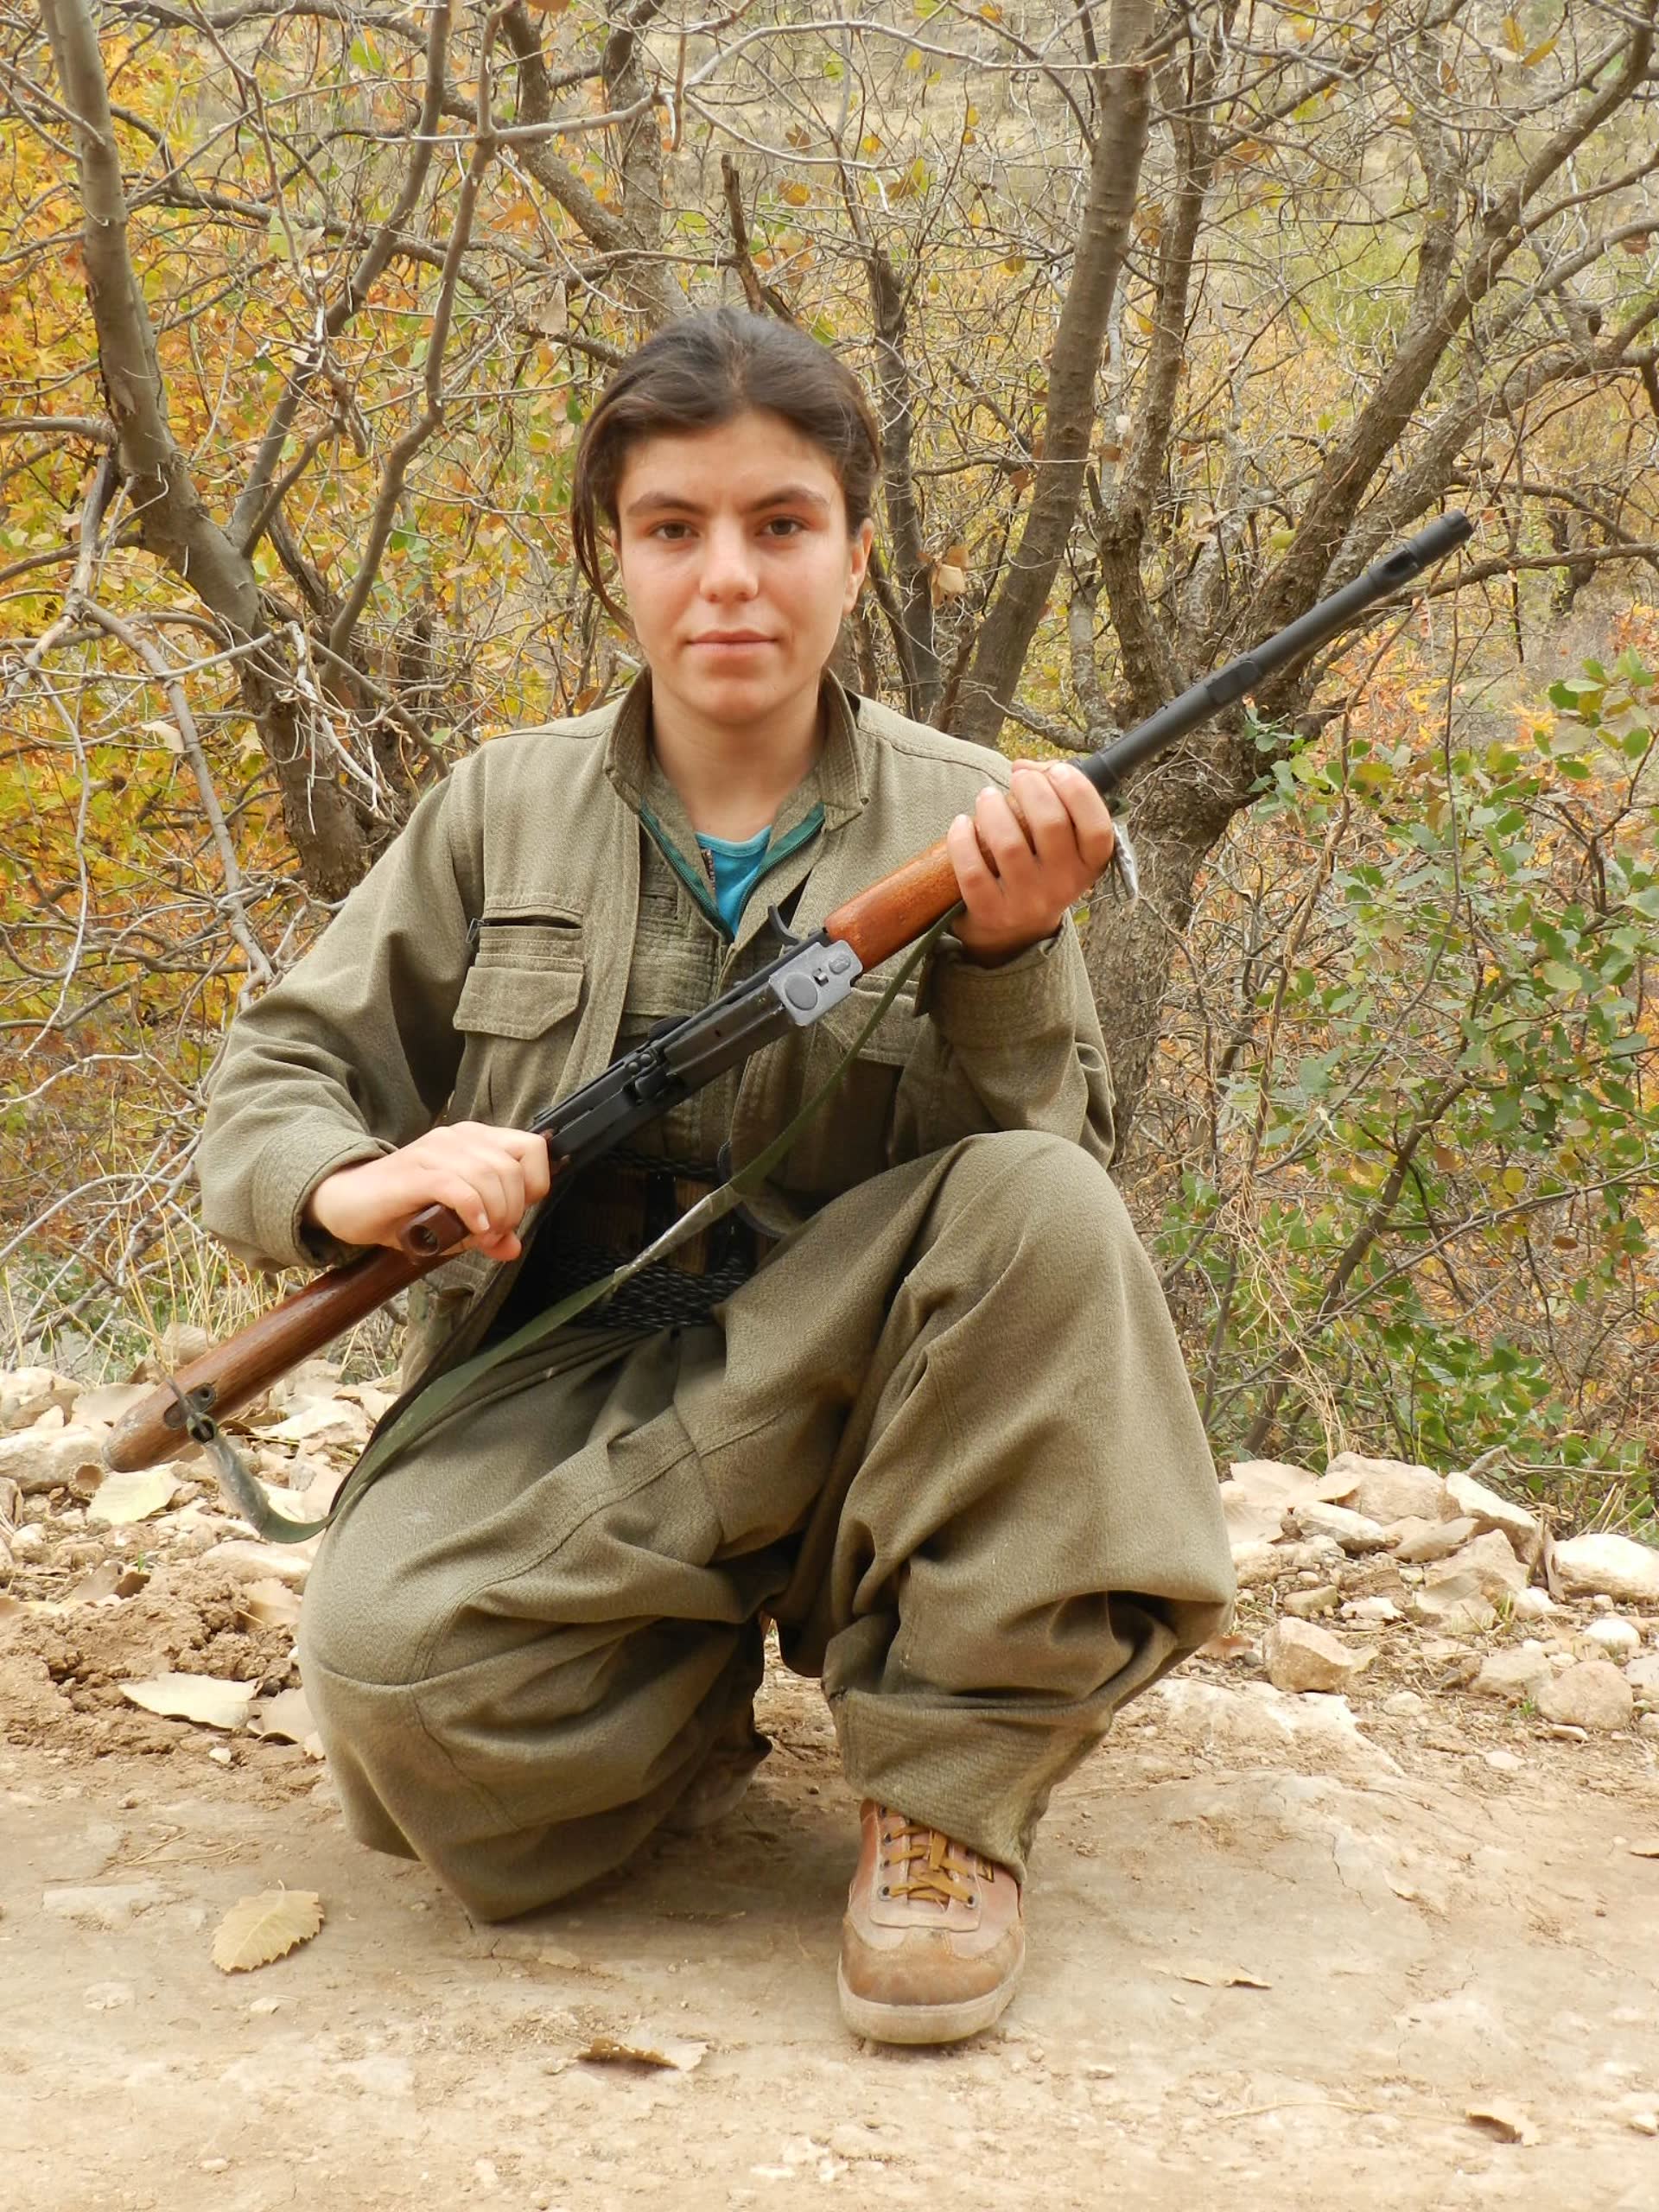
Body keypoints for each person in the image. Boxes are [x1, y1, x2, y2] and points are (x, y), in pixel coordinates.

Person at [196, 308, 1234, 2048]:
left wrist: (1006, 954)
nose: (729, 578)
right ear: (613, 556)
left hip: (864, 1409)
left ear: (856, 553)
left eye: (782, 523)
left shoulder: (981, 815)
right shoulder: (499, 806)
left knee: (1049, 1210)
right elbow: (276, 1076)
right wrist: (353, 1183)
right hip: (568, 1402)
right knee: (391, 1684)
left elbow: (1052, 1202)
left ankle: (950, 1793)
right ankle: (677, 1709)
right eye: (673, 528)